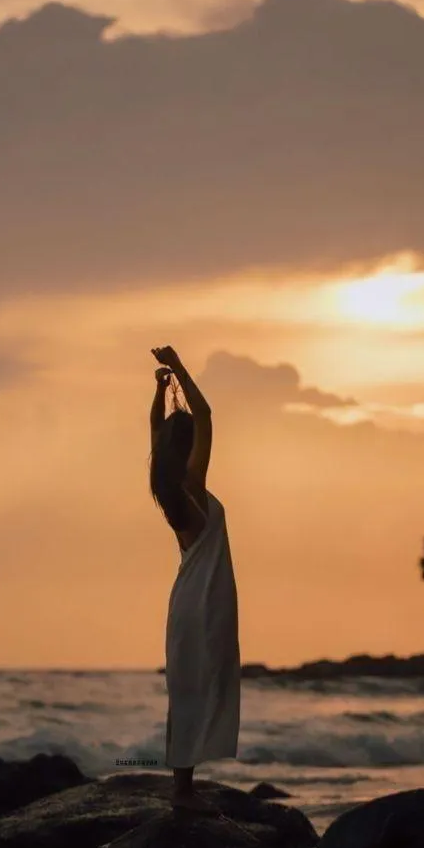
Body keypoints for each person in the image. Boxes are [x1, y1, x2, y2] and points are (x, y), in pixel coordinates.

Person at [149, 345, 241, 812]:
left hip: (184, 600)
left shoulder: (167, 489)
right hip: (205, 600)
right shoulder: (191, 485)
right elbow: (204, 413)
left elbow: (154, 436)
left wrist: (161, 393)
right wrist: (179, 368)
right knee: (206, 683)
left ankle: (182, 786)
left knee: (186, 689)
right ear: (188, 450)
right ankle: (183, 789)